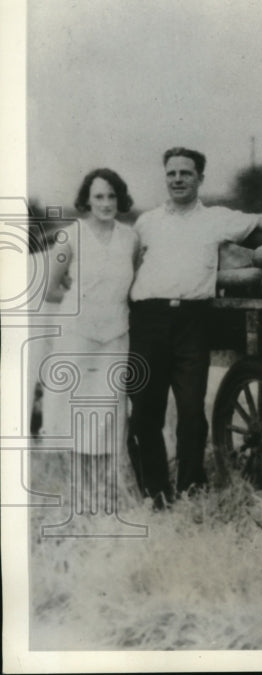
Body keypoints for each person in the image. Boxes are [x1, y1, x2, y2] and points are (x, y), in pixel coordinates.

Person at [127, 147, 262, 506]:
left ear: (200, 178)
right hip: (147, 320)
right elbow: (126, 267)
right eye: (171, 173)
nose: (178, 179)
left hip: (192, 321)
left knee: (190, 411)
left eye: (186, 173)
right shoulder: (147, 223)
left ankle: (190, 492)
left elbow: (261, 219)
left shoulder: (216, 219)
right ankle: (155, 496)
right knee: (145, 412)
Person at [41, 168, 139, 506]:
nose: (106, 203)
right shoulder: (71, 235)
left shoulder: (130, 238)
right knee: (74, 408)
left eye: (112, 196)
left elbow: (134, 284)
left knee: (108, 409)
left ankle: (104, 489)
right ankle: (77, 491)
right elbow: (51, 288)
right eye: (99, 196)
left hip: (115, 333)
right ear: (86, 200)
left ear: (120, 198)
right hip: (78, 335)